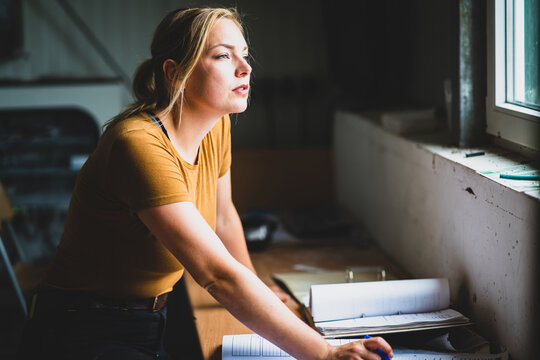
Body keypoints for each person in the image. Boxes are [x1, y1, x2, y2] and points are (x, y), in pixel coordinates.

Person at [17, 7, 393, 360]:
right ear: (175, 72)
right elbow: (215, 275)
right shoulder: (137, 145)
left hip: (147, 316)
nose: (245, 68)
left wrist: (262, 291)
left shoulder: (216, 126)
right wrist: (325, 352)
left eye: (244, 54)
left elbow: (224, 217)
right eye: (223, 56)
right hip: (82, 328)